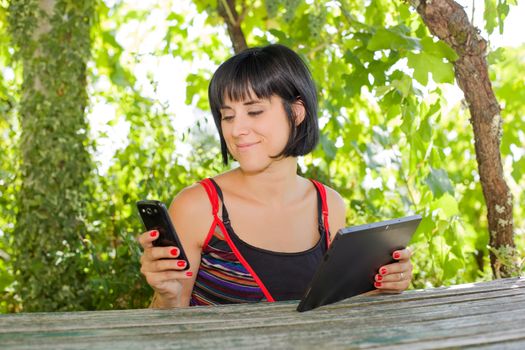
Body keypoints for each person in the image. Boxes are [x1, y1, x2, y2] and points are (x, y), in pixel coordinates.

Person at [138, 44, 413, 308]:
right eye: (228, 116)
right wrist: (168, 297)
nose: (236, 130)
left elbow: (328, 311)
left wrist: (382, 287)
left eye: (254, 111)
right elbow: (167, 325)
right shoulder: (197, 207)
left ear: (296, 113)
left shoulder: (329, 205)